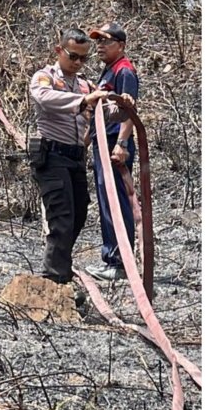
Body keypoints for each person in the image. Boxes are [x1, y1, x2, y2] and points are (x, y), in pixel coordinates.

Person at [29, 29, 134, 284]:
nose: (77, 63)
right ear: (59, 51)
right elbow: (44, 98)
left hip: (75, 158)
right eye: (73, 56)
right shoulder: (45, 77)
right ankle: (54, 278)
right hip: (52, 156)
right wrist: (85, 99)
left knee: (77, 215)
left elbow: (103, 112)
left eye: (83, 59)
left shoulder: (84, 83)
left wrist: (121, 105)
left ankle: (59, 271)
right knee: (61, 217)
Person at [85, 23, 140, 281]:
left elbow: (129, 110)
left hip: (114, 143)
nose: (100, 46)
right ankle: (113, 258)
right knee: (107, 201)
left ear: (121, 45)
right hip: (102, 141)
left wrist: (122, 144)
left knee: (115, 203)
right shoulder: (108, 71)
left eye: (107, 41)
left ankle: (118, 262)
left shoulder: (124, 71)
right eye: (98, 41)